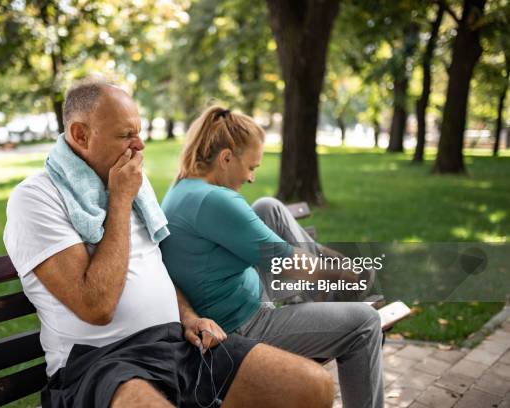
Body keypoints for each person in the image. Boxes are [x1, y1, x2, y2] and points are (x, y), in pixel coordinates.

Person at [3, 79, 335, 408]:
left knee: (312, 386)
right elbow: (97, 306)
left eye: (139, 131)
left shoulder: (127, 181)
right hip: (102, 365)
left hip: (174, 345)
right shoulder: (37, 199)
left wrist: (189, 317)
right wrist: (119, 201)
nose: (140, 145)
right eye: (125, 135)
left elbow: (152, 269)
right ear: (80, 135)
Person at [160, 106, 385, 408]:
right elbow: (287, 262)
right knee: (365, 323)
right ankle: (343, 291)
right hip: (241, 325)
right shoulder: (215, 200)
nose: (251, 178)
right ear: (226, 158)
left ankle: (332, 296)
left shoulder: (184, 186)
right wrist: (349, 273)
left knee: (269, 207)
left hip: (233, 294)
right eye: (251, 167)